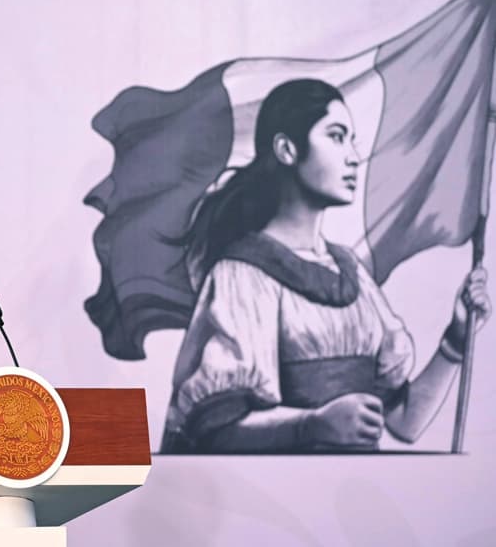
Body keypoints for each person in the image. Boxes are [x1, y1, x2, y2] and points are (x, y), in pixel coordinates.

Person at [160, 79, 490, 453]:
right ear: (286, 149)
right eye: (336, 137)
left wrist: (456, 340)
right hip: (277, 502)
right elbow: (216, 431)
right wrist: (311, 425)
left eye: (352, 140)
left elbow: (403, 422)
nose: (352, 156)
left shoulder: (351, 273)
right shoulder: (242, 274)